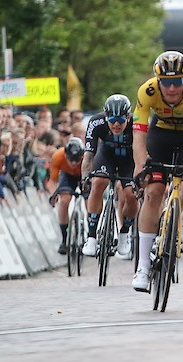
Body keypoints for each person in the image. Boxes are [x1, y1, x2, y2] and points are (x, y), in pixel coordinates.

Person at [131, 51, 183, 292]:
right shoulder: (147, 91)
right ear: (158, 81)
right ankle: (143, 267)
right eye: (167, 82)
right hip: (160, 135)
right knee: (154, 192)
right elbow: (139, 137)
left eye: (178, 81)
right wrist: (139, 168)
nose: (173, 88)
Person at [81, 94, 138, 259]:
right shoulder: (96, 122)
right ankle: (91, 237)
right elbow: (88, 155)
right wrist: (85, 177)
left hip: (129, 159)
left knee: (131, 195)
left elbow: (143, 152)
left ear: (128, 117)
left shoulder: (137, 124)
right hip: (106, 155)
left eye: (121, 120)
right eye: (112, 120)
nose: (116, 124)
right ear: (106, 117)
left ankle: (124, 233)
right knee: (99, 182)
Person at [48, 137, 85, 254]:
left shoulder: (87, 158)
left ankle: (91, 236)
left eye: (77, 159)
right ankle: (65, 240)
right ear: (66, 155)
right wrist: (54, 195)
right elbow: (53, 181)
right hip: (67, 176)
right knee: (64, 201)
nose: (74, 163)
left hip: (84, 174)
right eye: (70, 159)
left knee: (90, 203)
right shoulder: (58, 156)